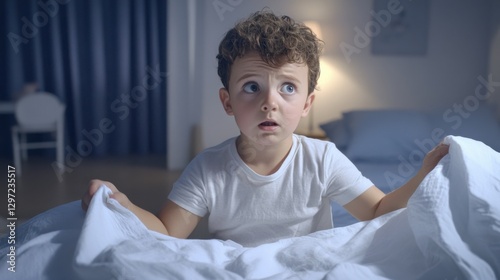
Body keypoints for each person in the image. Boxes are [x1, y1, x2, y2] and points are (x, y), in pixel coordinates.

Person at [81, 10, 449, 247]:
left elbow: (378, 208)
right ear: (227, 102)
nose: (269, 102)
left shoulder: (322, 158)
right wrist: (122, 203)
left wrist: (424, 174)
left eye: (288, 87)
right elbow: (165, 231)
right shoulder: (208, 168)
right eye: (251, 87)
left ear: (307, 103)